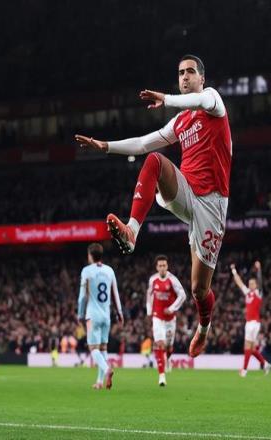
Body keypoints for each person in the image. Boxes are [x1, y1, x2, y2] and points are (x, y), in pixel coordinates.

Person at [75, 54, 232, 358]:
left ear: (202, 78)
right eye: (180, 73)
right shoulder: (181, 121)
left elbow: (200, 100)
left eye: (190, 72)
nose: (184, 77)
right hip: (187, 191)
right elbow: (143, 143)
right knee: (154, 161)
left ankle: (204, 328)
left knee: (199, 289)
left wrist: (166, 99)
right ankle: (132, 231)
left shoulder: (213, 100)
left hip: (212, 204)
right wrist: (105, 146)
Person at [77, 243, 124, 390]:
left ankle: (107, 369)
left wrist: (80, 314)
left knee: (93, 348)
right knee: (103, 348)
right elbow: (115, 293)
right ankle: (99, 381)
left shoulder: (86, 271)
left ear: (90, 255)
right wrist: (120, 313)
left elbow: (82, 297)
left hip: (92, 316)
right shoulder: (109, 270)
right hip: (106, 316)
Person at [146, 255, 186, 386]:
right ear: (157, 267)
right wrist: (149, 311)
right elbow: (149, 295)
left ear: (167, 266)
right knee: (160, 344)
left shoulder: (173, 280)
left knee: (168, 347)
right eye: (160, 266)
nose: (162, 268)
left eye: (164, 265)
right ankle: (161, 376)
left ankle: (168, 359)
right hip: (157, 317)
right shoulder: (153, 280)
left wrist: (172, 308)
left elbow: (183, 295)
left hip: (170, 319)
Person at [230, 261, 271, 377]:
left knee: (247, 346)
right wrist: (234, 271)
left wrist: (259, 270)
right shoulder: (248, 293)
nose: (250, 285)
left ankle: (244, 370)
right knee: (252, 349)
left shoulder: (258, 293)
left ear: (256, 285)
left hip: (253, 323)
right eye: (249, 283)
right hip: (250, 323)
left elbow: (260, 282)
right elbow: (239, 282)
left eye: (252, 283)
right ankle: (265, 364)